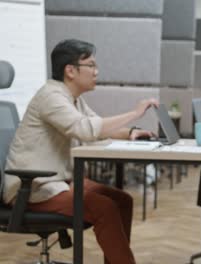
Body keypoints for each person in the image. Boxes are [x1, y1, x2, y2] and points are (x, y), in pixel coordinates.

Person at [2, 39, 158, 264]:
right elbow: (85, 130)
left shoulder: (72, 99)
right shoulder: (51, 97)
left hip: (58, 181)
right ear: (70, 70)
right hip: (34, 187)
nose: (97, 71)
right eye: (91, 65)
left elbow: (96, 126)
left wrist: (131, 132)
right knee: (104, 208)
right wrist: (134, 113)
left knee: (122, 201)